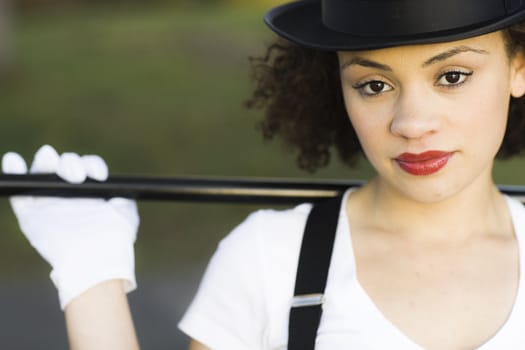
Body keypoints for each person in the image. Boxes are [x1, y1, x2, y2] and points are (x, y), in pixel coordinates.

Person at [6, 0, 525, 349]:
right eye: (373, 85)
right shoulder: (271, 258)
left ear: (518, 67)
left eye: (452, 76)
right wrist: (90, 279)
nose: (412, 123)